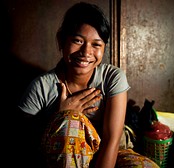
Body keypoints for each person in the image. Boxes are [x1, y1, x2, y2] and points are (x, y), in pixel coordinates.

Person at [17, 2, 130, 168]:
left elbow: (111, 142)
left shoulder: (112, 78)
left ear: (104, 48)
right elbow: (21, 143)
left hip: (113, 155)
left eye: (96, 44)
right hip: (59, 161)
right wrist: (59, 116)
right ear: (61, 41)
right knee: (70, 119)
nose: (86, 53)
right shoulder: (41, 87)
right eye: (77, 41)